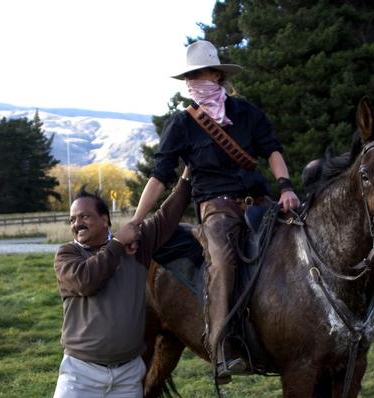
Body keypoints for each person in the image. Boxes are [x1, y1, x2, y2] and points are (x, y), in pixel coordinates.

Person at [131, 40, 300, 382]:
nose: (195, 81)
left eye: (201, 73)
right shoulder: (182, 124)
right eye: (190, 76)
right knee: (222, 262)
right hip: (215, 209)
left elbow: (273, 151)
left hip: (260, 203)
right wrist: (136, 221)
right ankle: (223, 346)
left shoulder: (247, 113)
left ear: (218, 75)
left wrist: (286, 187)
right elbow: (160, 176)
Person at [53, 169, 191, 398]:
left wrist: (187, 177)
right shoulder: (68, 255)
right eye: (72, 219)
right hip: (81, 373)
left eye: (84, 216)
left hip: (128, 374)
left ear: (105, 218)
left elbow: (166, 217)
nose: (77, 223)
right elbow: (86, 282)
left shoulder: (136, 247)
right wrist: (117, 243)